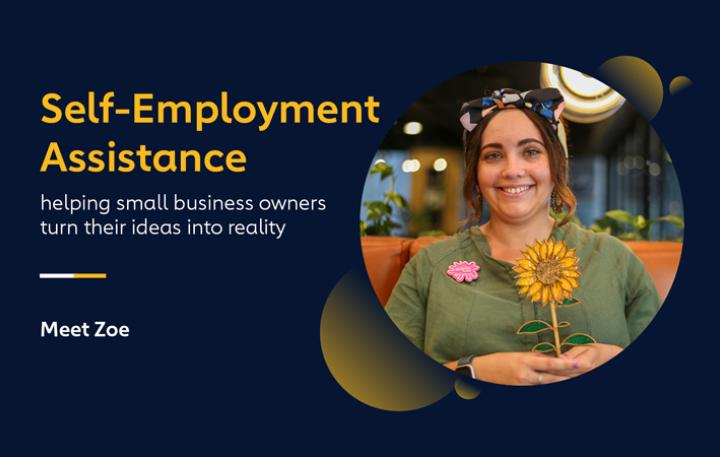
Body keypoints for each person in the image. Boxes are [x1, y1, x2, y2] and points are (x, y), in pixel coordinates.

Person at [385, 88, 661, 386]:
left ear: (557, 164)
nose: (512, 170)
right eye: (493, 155)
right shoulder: (430, 267)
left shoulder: (615, 259)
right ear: (475, 173)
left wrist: (615, 357)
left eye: (531, 151)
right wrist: (472, 372)